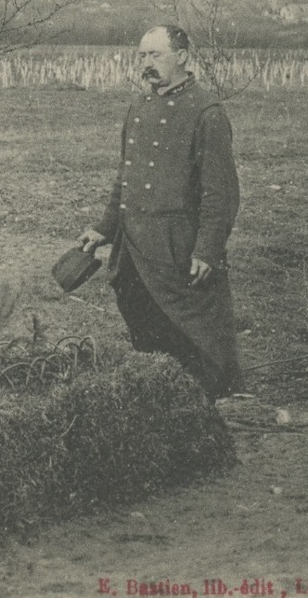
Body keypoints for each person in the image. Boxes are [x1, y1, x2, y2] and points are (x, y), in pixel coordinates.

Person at [79, 25, 244, 399]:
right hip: (134, 247)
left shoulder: (207, 112)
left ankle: (214, 404)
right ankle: (162, 400)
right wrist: (104, 228)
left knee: (197, 334)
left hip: (179, 247)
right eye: (142, 56)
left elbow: (221, 194)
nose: (147, 64)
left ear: (182, 56)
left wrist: (207, 250)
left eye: (156, 55)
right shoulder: (139, 106)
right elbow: (126, 175)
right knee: (144, 325)